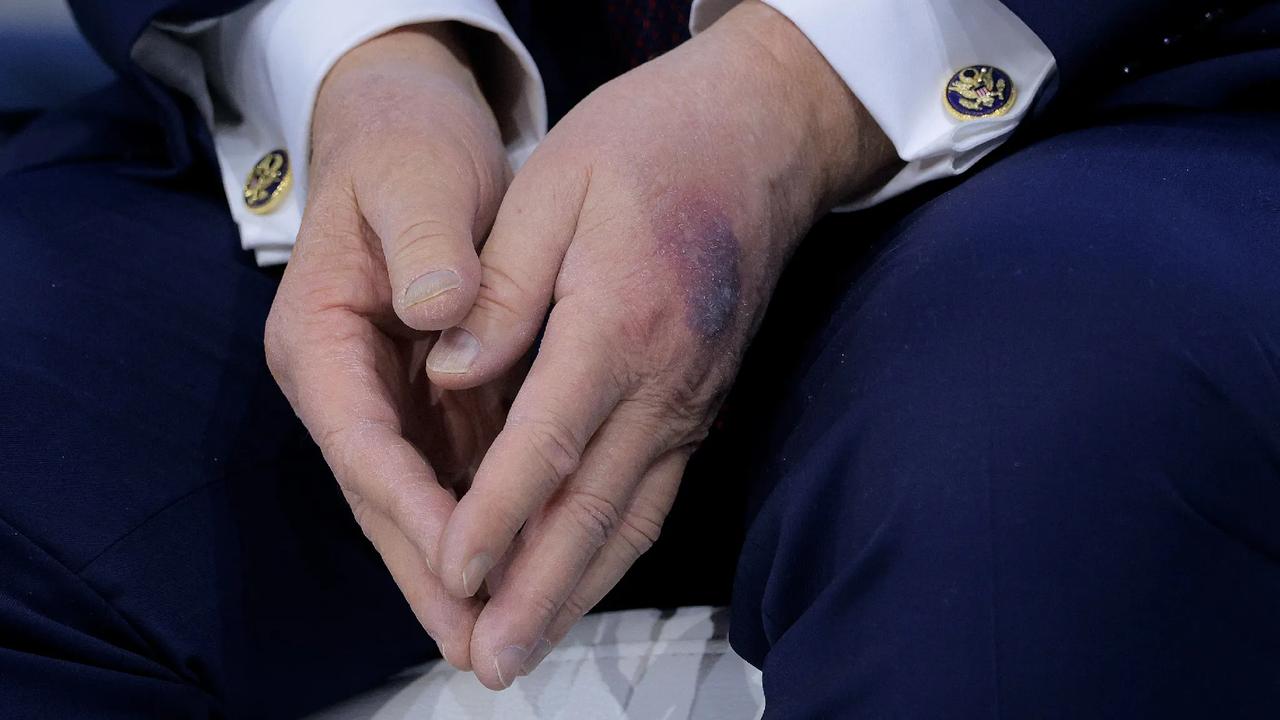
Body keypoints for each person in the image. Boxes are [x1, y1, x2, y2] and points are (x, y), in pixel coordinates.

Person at [1, 0, 1277, 717]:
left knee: (1041, 479)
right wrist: (373, 58)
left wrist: (793, 79)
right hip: (357, 151)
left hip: (1091, 123)